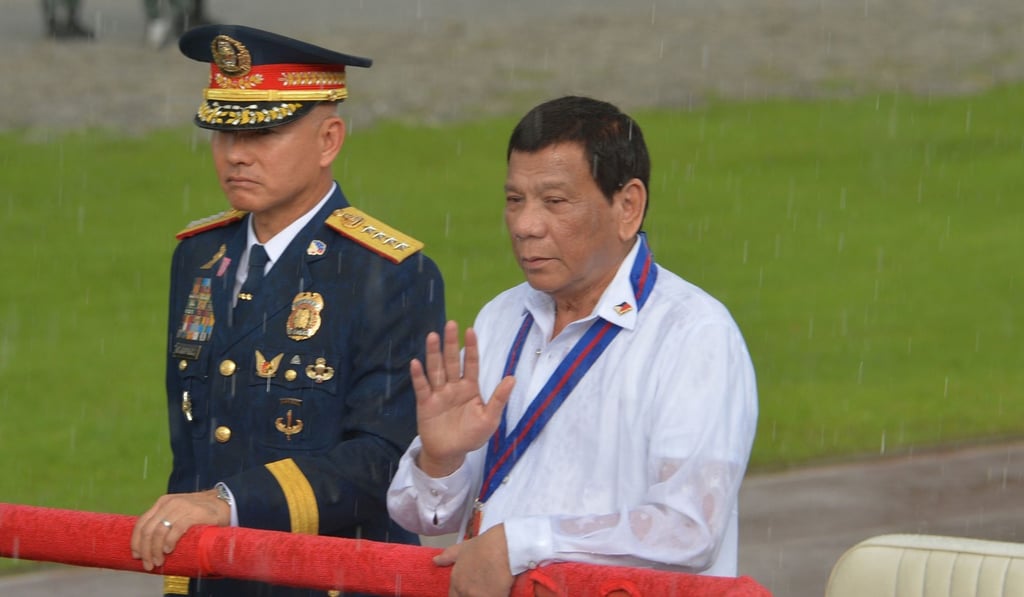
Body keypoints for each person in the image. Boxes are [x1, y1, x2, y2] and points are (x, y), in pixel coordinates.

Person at [387, 96, 758, 595]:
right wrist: (440, 461)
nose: (524, 225)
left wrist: (519, 543)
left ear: (628, 206)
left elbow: (688, 529)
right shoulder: (502, 317)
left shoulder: (694, 334)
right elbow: (422, 517)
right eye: (515, 199)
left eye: (555, 201)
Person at [129, 24, 446, 596]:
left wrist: (229, 504)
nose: (235, 155)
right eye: (223, 134)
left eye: (264, 132)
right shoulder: (199, 256)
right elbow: (195, 440)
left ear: (329, 140)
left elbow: (383, 462)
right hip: (217, 575)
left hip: (330, 580)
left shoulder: (390, 272)